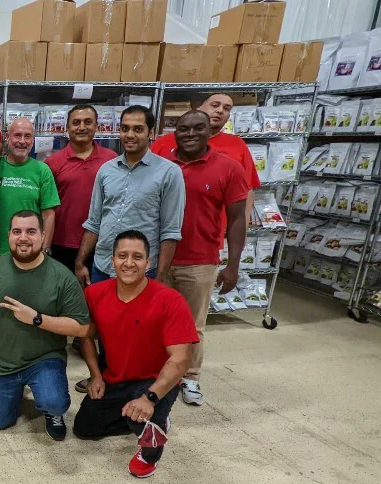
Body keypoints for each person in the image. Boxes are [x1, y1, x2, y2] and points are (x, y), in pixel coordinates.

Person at [73, 230, 198, 479]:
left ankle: (151, 448)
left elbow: (181, 359)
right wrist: (95, 375)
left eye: (137, 257)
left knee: (141, 419)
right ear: (112, 260)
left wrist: (150, 399)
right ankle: (150, 414)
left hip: (156, 380)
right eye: (122, 256)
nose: (129, 263)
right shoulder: (95, 294)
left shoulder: (170, 300)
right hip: (115, 377)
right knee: (85, 428)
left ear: (148, 263)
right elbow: (85, 335)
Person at [0, 210, 91, 440]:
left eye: (31, 231)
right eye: (17, 232)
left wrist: (37, 318)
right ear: (9, 236)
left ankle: (52, 412)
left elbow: (82, 328)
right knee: (0, 421)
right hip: (3, 360)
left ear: (43, 236)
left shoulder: (61, 276)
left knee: (54, 402)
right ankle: (11, 393)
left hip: (44, 358)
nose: (23, 237)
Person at [164, 111, 248, 406]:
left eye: (198, 128)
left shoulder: (228, 168)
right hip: (158, 258)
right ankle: (159, 373)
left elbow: (238, 219)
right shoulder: (161, 162)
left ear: (210, 130)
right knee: (154, 321)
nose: (190, 134)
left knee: (192, 324)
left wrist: (233, 265)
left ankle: (191, 377)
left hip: (199, 260)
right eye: (183, 128)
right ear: (175, 132)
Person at [75, 105, 185, 286]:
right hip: (102, 265)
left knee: (137, 315)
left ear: (151, 132)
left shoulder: (169, 172)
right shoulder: (106, 170)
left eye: (138, 129)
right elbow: (94, 221)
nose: (130, 135)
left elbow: (170, 231)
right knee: (99, 314)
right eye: (125, 128)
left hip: (141, 270)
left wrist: (161, 275)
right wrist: (80, 262)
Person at [150, 93, 261, 227]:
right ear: (199, 108)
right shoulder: (164, 143)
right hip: (164, 227)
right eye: (215, 105)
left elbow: (247, 191)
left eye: (227, 109)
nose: (220, 110)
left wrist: (241, 229)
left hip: (214, 232)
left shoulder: (237, 145)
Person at [44, 105, 118, 273]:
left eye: (88, 122)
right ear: (67, 128)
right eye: (76, 122)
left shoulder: (112, 160)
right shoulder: (53, 163)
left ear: (97, 127)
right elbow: (47, 207)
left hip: (102, 242)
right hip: (62, 243)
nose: (82, 127)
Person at [0, 118, 60, 256]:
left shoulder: (42, 170)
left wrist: (44, 250)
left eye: (27, 136)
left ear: (33, 140)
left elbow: (48, 214)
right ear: (7, 137)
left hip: (28, 251)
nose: (22, 141)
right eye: (17, 135)